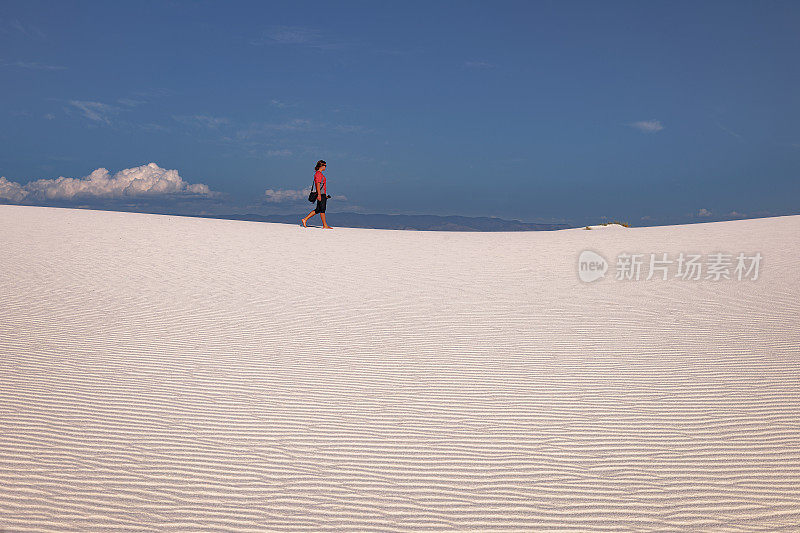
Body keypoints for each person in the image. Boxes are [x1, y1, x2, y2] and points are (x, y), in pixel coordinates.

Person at [301, 160, 332, 228]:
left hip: (322, 194)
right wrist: (319, 195)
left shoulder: (319, 174)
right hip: (321, 194)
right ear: (321, 166)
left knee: (318, 209)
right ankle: (325, 225)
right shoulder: (318, 174)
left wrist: (324, 195)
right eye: (325, 166)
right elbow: (317, 184)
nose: (325, 167)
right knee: (322, 209)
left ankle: (305, 219)